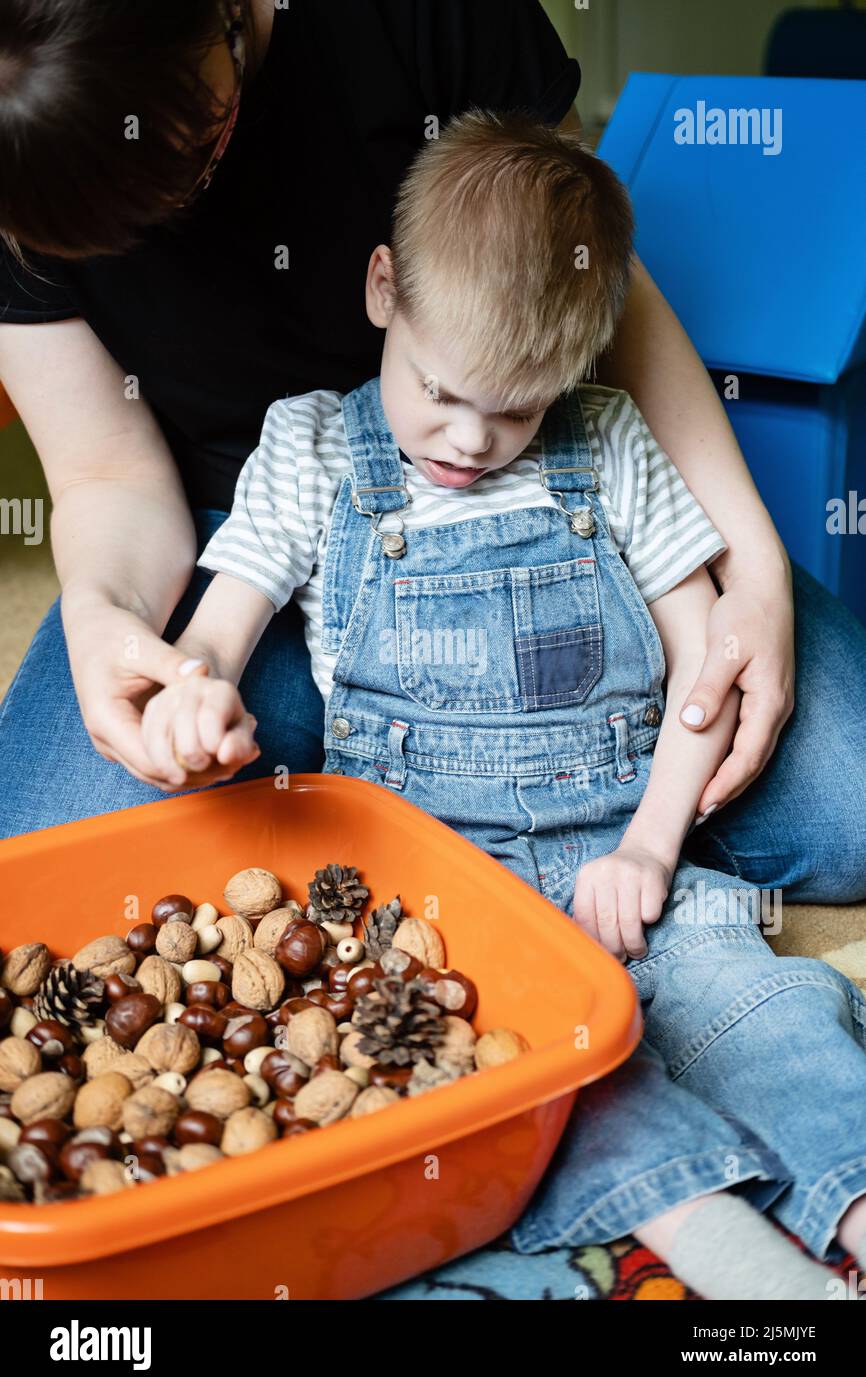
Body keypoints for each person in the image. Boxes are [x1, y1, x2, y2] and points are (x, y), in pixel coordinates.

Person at [133, 111, 866, 1300]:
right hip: (436, 902)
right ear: (383, 288)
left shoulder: (611, 444)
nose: (470, 441)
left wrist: (647, 843)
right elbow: (212, 638)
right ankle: (738, 1268)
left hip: (629, 866)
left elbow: (702, 667)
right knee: (529, 1082)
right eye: (444, 393)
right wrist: (193, 705)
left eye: (519, 411)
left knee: (763, 1004)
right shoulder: (310, 449)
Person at [1, 0, 864, 916]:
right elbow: (108, 472)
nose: (180, 211)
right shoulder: (294, 450)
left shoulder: (416, 18)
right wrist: (111, 620)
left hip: (546, 501)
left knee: (846, 810)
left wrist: (753, 569)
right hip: (231, 529)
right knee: (55, 878)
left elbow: (583, 274)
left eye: (192, 151)